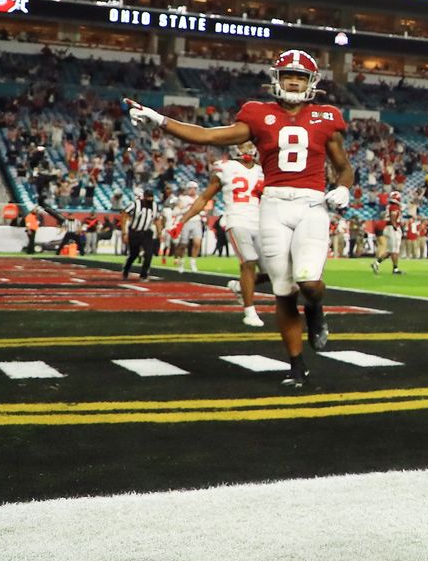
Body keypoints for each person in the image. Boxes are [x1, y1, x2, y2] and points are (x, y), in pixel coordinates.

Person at [124, 49, 353, 389]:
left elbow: (344, 167)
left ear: (311, 82)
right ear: (276, 79)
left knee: (309, 282)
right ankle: (296, 366)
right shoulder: (258, 115)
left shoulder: (326, 116)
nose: (293, 81)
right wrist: (160, 120)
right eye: (288, 75)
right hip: (273, 205)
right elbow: (207, 135)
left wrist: (344, 188)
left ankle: (316, 310)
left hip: (311, 204)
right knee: (284, 291)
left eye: (300, 76)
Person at [173, 142, 267, 326]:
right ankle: (250, 311)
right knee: (248, 262)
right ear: (234, 148)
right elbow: (204, 197)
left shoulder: (263, 169)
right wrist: (183, 220)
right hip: (237, 220)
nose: (247, 149)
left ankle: (240, 287)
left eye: (249, 145)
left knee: (274, 271)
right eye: (243, 145)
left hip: (260, 223)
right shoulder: (225, 168)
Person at [120, 190, 161, 280]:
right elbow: (124, 214)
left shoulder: (155, 206)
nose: (150, 199)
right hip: (135, 231)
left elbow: (157, 219)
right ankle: (126, 269)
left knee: (149, 254)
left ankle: (144, 274)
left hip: (147, 232)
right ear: (144, 197)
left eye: (151, 197)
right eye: (148, 197)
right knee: (134, 254)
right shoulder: (135, 204)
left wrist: (159, 233)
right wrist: (124, 232)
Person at [371, 190, 405, 275]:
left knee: (391, 250)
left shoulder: (391, 206)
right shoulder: (394, 206)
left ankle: (377, 263)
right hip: (391, 228)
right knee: (394, 250)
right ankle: (395, 269)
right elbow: (393, 217)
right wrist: (395, 226)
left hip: (389, 227)